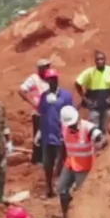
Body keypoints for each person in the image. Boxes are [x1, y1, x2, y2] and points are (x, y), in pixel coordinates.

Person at [57, 105, 105, 218]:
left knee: (81, 194)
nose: (72, 126)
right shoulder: (64, 128)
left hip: (84, 167)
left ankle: (81, 217)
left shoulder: (87, 128)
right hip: (70, 163)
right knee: (61, 189)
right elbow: (63, 146)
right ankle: (67, 216)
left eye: (73, 124)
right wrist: (59, 164)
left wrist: (100, 144)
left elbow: (100, 137)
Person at [36, 69, 74, 199]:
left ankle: (62, 188)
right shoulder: (44, 97)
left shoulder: (66, 96)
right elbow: (42, 114)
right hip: (47, 136)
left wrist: (67, 134)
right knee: (47, 164)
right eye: (49, 79)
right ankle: (49, 188)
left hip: (61, 136)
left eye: (54, 79)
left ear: (57, 80)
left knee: (61, 163)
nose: (52, 81)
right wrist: (40, 132)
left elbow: (71, 115)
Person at [75, 50, 110, 133]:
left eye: (102, 59)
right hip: (94, 106)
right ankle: (96, 145)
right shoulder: (89, 72)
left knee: (105, 128)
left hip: (107, 106)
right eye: (98, 59)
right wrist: (85, 99)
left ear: (105, 60)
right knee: (95, 129)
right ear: (95, 61)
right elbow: (77, 83)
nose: (100, 61)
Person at [17, 58, 53, 165]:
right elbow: (21, 90)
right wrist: (33, 103)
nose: (47, 69)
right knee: (39, 136)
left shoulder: (50, 78)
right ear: (40, 69)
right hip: (39, 113)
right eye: (45, 67)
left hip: (50, 112)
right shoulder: (34, 79)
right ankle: (37, 160)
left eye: (48, 67)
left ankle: (46, 158)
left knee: (49, 135)